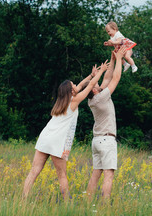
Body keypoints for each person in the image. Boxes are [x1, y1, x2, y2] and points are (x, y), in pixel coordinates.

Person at [22, 62, 108, 200]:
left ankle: (23, 199)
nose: (76, 85)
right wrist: (101, 72)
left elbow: (82, 85)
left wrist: (91, 75)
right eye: (73, 84)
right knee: (62, 175)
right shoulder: (74, 101)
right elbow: (90, 86)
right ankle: (67, 203)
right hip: (57, 141)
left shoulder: (61, 102)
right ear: (70, 91)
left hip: (45, 138)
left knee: (34, 172)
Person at [86, 46, 127, 199]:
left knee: (96, 174)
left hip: (96, 141)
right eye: (94, 83)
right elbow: (115, 78)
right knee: (109, 175)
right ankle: (104, 206)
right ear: (95, 90)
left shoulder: (93, 99)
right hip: (106, 140)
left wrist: (112, 58)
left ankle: (88, 202)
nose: (96, 82)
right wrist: (118, 60)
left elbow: (106, 78)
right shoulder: (101, 97)